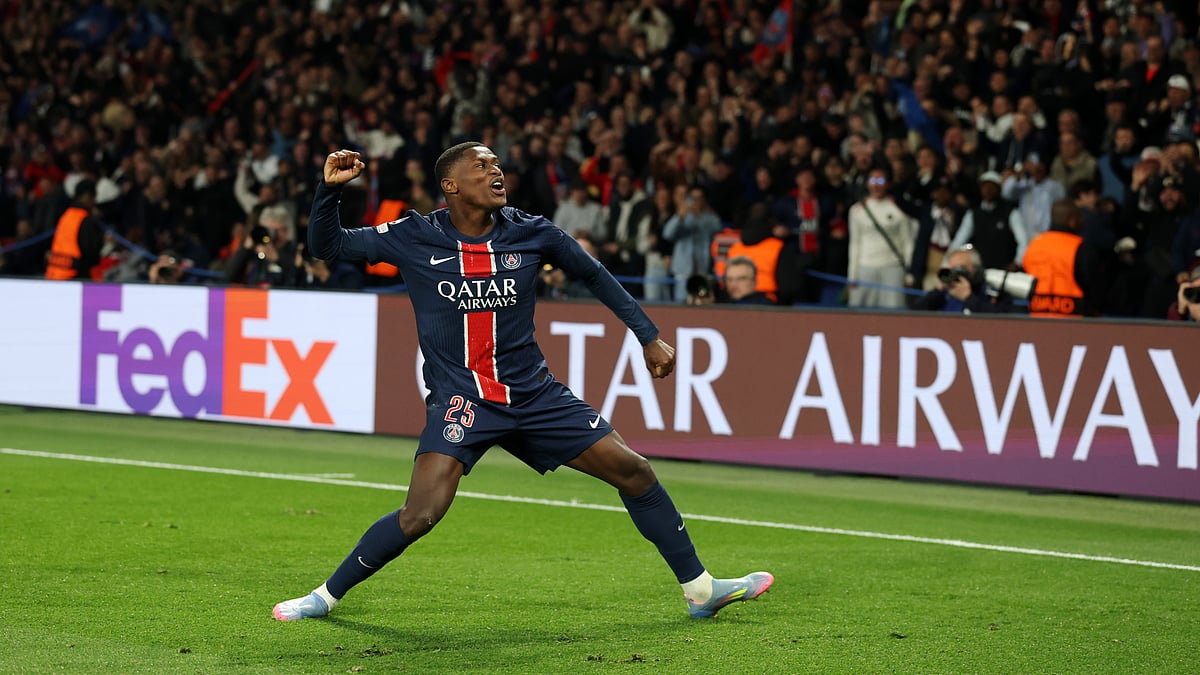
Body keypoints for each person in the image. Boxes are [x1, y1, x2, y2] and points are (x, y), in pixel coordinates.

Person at [273, 145, 773, 622]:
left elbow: (596, 275)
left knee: (635, 471)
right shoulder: (412, 235)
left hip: (535, 395)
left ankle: (700, 590)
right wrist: (329, 191)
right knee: (421, 514)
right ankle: (324, 596)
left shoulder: (534, 233)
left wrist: (648, 335)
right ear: (450, 184)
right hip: (464, 398)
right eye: (481, 166)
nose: (497, 173)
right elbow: (326, 246)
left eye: (498, 164)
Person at [1022, 199, 1103, 318]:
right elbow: (1095, 286)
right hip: (1075, 320)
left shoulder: (1033, 245)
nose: (1082, 220)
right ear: (1071, 219)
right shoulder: (1081, 248)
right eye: (1079, 216)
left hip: (1037, 316)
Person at [44, 179, 105, 281]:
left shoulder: (65, 216)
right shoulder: (85, 220)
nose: (94, 202)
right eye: (93, 197)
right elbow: (91, 253)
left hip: (55, 274)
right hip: (75, 276)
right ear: (87, 196)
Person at [910, 246, 998, 314]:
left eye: (960, 269)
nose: (955, 274)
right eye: (952, 269)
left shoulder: (988, 291)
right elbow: (915, 310)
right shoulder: (946, 293)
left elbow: (999, 319)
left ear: (975, 269)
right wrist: (938, 289)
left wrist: (968, 298)